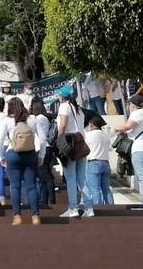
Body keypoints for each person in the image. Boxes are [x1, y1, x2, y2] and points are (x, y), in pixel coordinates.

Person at [0, 98, 44, 225]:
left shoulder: (7, 120)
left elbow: (0, 140)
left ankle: (17, 216)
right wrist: (41, 156)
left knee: (15, 186)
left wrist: (1, 156)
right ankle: (36, 216)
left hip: (13, 154)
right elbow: (43, 140)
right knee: (32, 186)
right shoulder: (32, 119)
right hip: (30, 154)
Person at [115, 94, 143, 209]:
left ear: (133, 105)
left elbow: (128, 126)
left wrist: (117, 129)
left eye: (129, 104)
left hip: (140, 149)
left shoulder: (137, 113)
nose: (128, 106)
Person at [56, 86, 88, 218]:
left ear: (62, 96)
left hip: (70, 144)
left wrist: (59, 139)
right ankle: (88, 207)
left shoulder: (64, 106)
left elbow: (63, 125)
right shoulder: (79, 109)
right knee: (81, 178)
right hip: (81, 143)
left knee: (70, 177)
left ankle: (73, 207)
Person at [83, 114, 113, 214]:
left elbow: (84, 148)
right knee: (106, 189)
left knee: (95, 189)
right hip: (105, 162)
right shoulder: (105, 135)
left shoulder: (89, 135)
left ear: (91, 124)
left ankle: (98, 209)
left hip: (93, 163)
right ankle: (111, 209)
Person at [31, 98, 56, 206]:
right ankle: (45, 199)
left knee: (45, 176)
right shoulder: (45, 118)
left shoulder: (38, 118)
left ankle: (50, 199)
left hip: (41, 148)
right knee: (43, 176)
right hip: (47, 147)